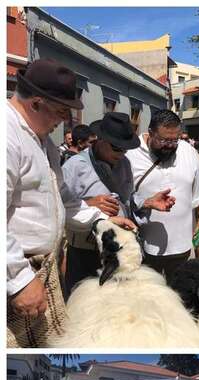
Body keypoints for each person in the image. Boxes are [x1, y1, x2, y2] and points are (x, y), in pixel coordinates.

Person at [7, 58, 136, 348]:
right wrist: (18, 281)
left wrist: (101, 219)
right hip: (17, 273)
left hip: (40, 270)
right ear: (37, 103)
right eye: (62, 110)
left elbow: (63, 199)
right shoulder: (7, 135)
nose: (65, 119)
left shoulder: (42, 142)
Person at [60, 112, 175, 298]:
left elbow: (127, 200)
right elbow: (58, 206)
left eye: (125, 149)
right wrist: (88, 203)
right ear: (100, 140)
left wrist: (146, 202)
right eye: (116, 148)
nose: (121, 154)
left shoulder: (124, 164)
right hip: (84, 252)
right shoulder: (74, 167)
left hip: (119, 251)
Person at [125, 110, 199, 277]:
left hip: (183, 247)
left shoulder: (189, 152)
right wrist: (146, 202)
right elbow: (122, 198)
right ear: (150, 133)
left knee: (180, 296)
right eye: (163, 140)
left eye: (174, 140)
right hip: (143, 249)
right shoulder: (130, 155)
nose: (170, 145)